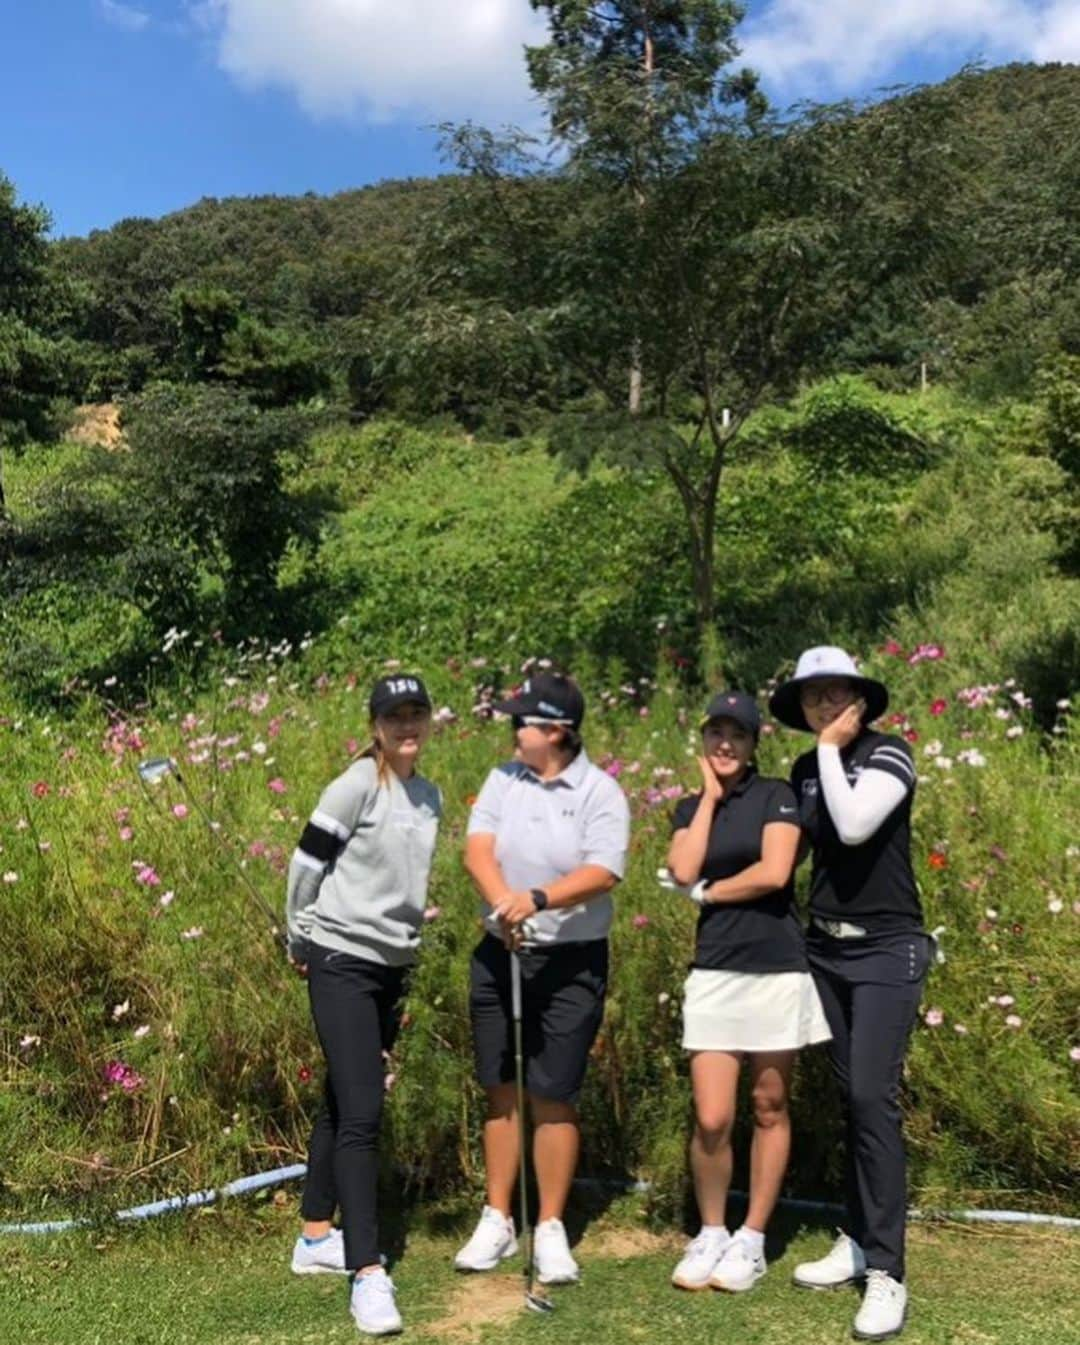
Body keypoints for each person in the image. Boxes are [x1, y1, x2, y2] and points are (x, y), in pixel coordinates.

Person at [770, 646, 931, 1343]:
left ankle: (887, 1271)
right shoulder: (806, 769)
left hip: (887, 947)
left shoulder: (890, 753)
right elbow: (789, 850)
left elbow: (859, 822)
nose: (824, 706)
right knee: (849, 1097)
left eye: (836, 694)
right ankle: (860, 1238)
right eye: (812, 698)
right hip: (826, 949)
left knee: (872, 1096)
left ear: (859, 698)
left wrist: (834, 750)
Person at [454, 671, 630, 1285]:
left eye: (521, 722)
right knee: (500, 1085)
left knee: (554, 1091)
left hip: (571, 961)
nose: (512, 730)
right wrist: (507, 905)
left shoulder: (600, 792)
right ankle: (499, 1219)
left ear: (557, 731)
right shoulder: (504, 778)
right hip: (500, 949)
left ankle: (549, 1227)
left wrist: (537, 899)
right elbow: (477, 849)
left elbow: (604, 872)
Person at [285, 674, 441, 1338]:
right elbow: (306, 863)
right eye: (393, 714)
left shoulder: (428, 795)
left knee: (342, 1099)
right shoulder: (354, 785)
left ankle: (315, 1233)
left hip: (392, 967)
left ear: (428, 722)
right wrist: (301, 934)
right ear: (374, 724)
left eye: (416, 713)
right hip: (341, 957)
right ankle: (366, 1271)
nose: (406, 724)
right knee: (365, 1111)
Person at [663, 691, 831, 1295]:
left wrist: (709, 894)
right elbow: (681, 868)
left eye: (737, 734)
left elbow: (774, 872)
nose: (725, 744)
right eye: (715, 733)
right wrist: (708, 799)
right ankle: (711, 1230)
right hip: (715, 972)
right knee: (712, 1117)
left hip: (777, 971)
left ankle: (752, 1237)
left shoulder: (778, 795)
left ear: (756, 741)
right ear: (704, 741)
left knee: (768, 1106)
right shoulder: (688, 806)